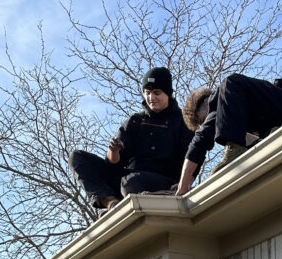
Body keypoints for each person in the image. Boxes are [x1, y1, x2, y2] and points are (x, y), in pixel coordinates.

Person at [69, 67, 192, 214]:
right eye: (147, 93)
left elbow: (191, 159)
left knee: (130, 183)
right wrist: (113, 151)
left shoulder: (182, 122)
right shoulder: (135, 121)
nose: (151, 97)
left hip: (164, 182)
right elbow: (113, 165)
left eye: (156, 93)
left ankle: (138, 199)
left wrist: (182, 186)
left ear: (168, 93)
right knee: (77, 158)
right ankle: (111, 203)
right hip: (126, 183)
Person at [176, 73, 282, 196]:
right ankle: (272, 133)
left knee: (230, 82)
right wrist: (190, 183)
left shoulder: (221, 96)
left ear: (206, 102)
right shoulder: (240, 108)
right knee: (245, 134)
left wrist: (183, 186)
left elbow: (200, 141)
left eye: (202, 120)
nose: (205, 124)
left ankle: (235, 149)